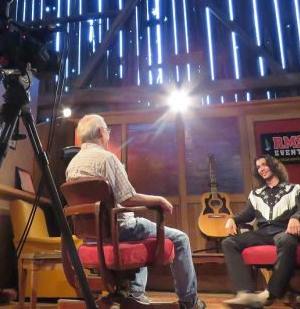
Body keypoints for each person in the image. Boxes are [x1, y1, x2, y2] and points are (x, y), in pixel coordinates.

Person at [65, 115, 206, 309]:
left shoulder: (72, 165)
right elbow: (127, 198)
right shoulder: (107, 159)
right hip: (120, 230)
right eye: (107, 130)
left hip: (91, 236)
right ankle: (190, 302)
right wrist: (159, 200)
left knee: (138, 227)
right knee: (180, 239)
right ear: (100, 132)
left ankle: (135, 293)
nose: (108, 134)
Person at [221, 155, 300, 308]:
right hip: (262, 232)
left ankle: (269, 293)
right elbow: (248, 214)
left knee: (287, 240)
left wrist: (296, 217)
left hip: (282, 231)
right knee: (229, 242)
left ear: (274, 166)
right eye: (258, 167)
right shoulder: (256, 194)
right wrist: (233, 219)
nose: (261, 169)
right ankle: (244, 292)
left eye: (264, 165)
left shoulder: (293, 189)